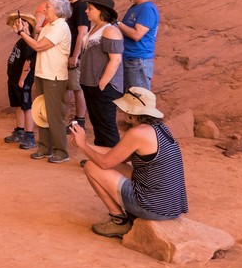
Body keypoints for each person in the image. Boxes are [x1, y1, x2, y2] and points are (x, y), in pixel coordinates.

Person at [70, 87, 188, 238]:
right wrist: (84, 143)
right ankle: (129, 216)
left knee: (91, 166)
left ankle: (119, 221)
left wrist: (83, 146)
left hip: (155, 207)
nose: (122, 111)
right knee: (116, 166)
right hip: (170, 205)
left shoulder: (137, 133)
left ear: (132, 113)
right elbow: (118, 155)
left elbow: (105, 163)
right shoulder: (159, 129)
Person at [13, 0, 71, 163]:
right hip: (42, 74)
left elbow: (38, 45)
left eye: (48, 7)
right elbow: (36, 42)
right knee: (42, 113)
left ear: (58, 10)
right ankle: (45, 148)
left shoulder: (60, 27)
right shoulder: (49, 26)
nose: (44, 10)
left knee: (54, 115)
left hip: (54, 76)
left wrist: (22, 33)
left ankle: (61, 152)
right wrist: (24, 30)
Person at [79, 0, 124, 148]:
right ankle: (100, 156)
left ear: (101, 10)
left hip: (104, 87)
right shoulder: (96, 28)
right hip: (91, 84)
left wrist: (103, 83)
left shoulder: (110, 31)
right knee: (98, 123)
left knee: (106, 125)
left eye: (90, 8)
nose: (86, 11)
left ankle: (113, 161)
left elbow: (116, 59)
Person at [116, 0, 161, 90]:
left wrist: (118, 23)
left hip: (138, 61)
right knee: (131, 102)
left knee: (139, 102)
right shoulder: (135, 8)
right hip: (130, 59)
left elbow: (136, 35)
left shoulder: (147, 9)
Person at [58, 0, 89, 130]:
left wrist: (75, 56)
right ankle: (67, 119)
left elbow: (82, 33)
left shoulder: (82, 6)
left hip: (76, 56)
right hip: (68, 54)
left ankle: (80, 121)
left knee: (77, 88)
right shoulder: (72, 6)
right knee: (69, 87)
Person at [4, 12, 37, 149]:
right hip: (14, 79)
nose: (14, 25)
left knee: (26, 106)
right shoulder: (21, 40)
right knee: (19, 105)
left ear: (25, 25)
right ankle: (20, 130)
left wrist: (22, 79)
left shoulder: (28, 41)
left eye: (17, 23)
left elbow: (28, 62)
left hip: (21, 81)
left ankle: (29, 136)